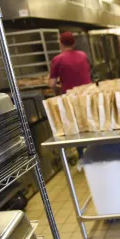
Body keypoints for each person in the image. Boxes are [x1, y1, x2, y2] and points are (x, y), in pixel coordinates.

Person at [49, 31, 91, 160]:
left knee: (76, 127)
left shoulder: (57, 59)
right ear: (74, 43)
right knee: (89, 124)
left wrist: (60, 86)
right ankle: (94, 152)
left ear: (61, 43)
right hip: (88, 95)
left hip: (71, 99)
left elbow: (52, 83)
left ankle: (83, 156)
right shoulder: (83, 55)